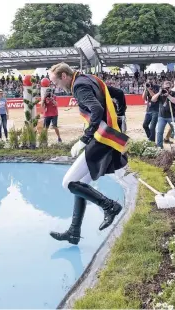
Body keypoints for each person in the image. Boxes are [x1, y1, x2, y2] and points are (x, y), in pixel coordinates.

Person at [47, 62, 129, 245]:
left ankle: (110, 206)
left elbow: (97, 109)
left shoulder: (79, 85)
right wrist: (121, 115)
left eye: (56, 82)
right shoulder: (88, 78)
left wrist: (85, 138)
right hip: (107, 135)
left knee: (68, 182)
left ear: (64, 76)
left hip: (102, 138)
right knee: (81, 184)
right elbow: (119, 94)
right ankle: (74, 232)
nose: (56, 87)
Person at [155, 80, 175, 148]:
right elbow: (153, 99)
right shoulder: (160, 94)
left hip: (172, 116)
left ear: (170, 87)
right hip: (162, 116)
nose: (167, 89)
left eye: (168, 87)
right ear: (163, 87)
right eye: (165, 87)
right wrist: (159, 93)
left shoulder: (174, 93)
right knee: (159, 132)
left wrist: (168, 95)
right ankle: (159, 146)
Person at [141, 77, 159, 141]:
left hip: (156, 110)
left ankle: (152, 141)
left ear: (154, 81)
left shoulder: (157, 87)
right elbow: (143, 98)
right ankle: (150, 138)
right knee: (145, 125)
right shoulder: (147, 88)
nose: (150, 83)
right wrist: (145, 89)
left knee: (152, 127)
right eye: (148, 82)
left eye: (151, 81)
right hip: (148, 109)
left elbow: (155, 98)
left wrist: (149, 90)